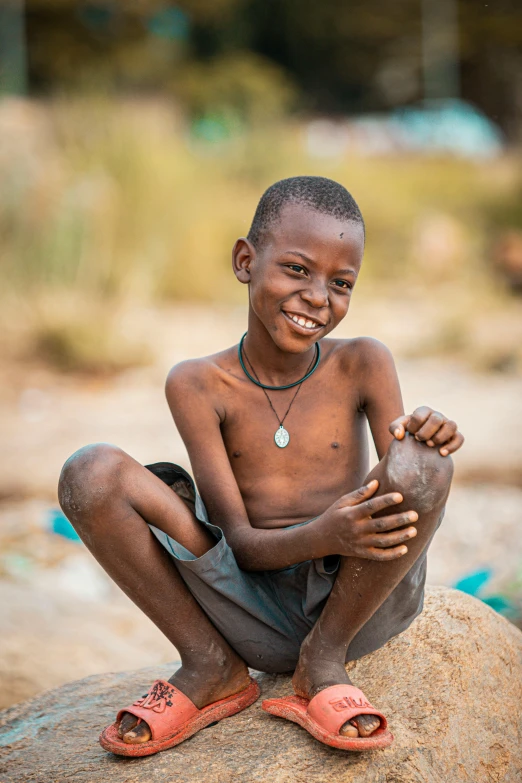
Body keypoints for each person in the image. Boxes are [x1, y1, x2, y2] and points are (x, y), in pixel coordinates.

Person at [58, 176, 464, 756]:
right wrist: (324, 530)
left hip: (357, 607)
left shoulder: (364, 362)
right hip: (246, 609)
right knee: (89, 472)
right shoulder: (198, 384)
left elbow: (406, 481)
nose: (319, 297)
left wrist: (426, 436)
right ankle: (209, 665)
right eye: (297, 270)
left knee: (424, 462)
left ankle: (320, 663)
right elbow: (239, 545)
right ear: (246, 260)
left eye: (341, 282)